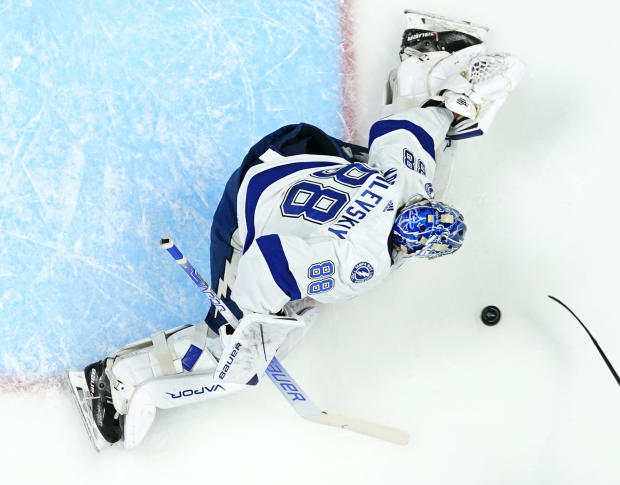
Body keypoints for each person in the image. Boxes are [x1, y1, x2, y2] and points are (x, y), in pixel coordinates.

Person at [70, 11, 524, 449]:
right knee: (225, 346)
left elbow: (409, 127)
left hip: (293, 152)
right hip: (247, 206)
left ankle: (425, 55)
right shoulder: (362, 264)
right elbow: (268, 262)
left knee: (413, 152)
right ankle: (111, 382)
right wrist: (250, 332)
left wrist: (450, 102)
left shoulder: (408, 180)